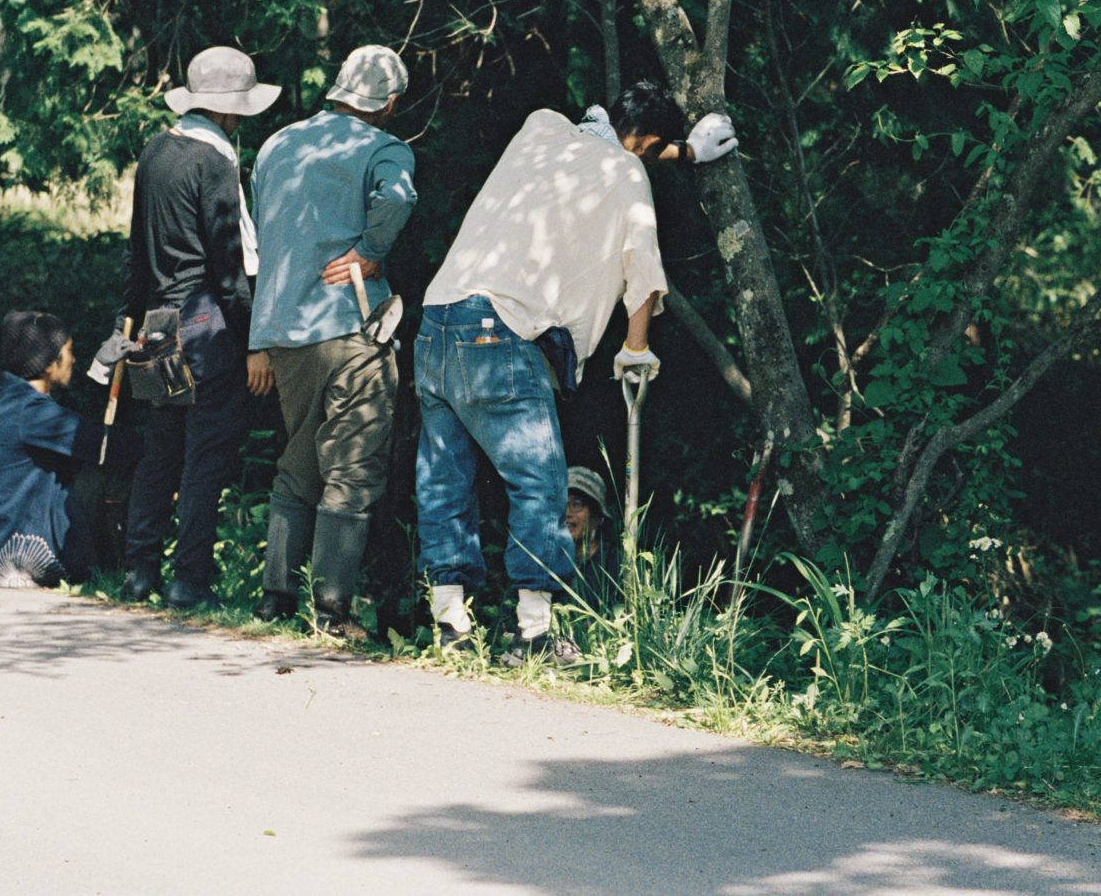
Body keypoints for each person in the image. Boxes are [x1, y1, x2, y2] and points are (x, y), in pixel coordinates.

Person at [414, 81, 738, 664]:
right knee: (539, 481)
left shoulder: (541, 126)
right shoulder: (628, 173)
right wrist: (636, 347)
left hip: (439, 317)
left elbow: (610, 141)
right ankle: (532, 633)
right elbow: (641, 264)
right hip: (503, 327)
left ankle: (450, 625)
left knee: (445, 475)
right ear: (646, 143)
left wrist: (685, 152)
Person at [93, 45, 280, 607]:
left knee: (161, 451)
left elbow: (135, 249)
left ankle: (139, 573)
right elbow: (229, 264)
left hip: (157, 321)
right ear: (228, 109)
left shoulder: (155, 151)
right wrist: (254, 343)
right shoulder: (215, 160)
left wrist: (125, 323)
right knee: (205, 458)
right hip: (208, 324)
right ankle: (189, 582)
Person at [247, 45, 418, 638]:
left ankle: (275, 598)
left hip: (286, 333)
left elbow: (263, 238)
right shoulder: (384, 148)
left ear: (337, 87)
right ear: (390, 103)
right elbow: (398, 198)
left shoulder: (276, 145)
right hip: (351, 327)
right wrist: (369, 254)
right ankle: (332, 610)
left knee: (297, 462)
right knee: (352, 468)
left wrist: (260, 334)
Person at [0, 311, 141, 588]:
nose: (73, 359)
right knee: (112, 471)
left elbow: (78, 429)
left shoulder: (1, 400)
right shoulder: (30, 412)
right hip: (19, 558)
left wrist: (100, 369)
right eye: (69, 351)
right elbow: (107, 444)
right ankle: (126, 570)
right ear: (47, 363)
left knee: (87, 463)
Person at [563, 465, 621, 609]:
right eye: (562, 504)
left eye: (577, 504)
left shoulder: (615, 565)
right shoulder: (545, 563)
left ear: (597, 516)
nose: (567, 513)